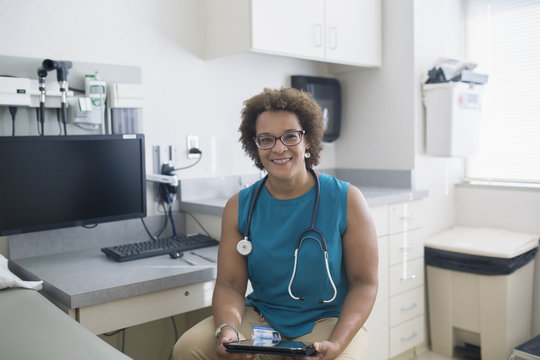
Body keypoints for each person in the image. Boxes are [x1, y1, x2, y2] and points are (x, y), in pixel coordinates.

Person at [173, 87, 378, 360]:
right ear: (255, 145)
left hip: (328, 321)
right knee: (188, 349)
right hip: (262, 319)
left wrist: (338, 343)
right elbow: (230, 285)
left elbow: (364, 283)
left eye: (290, 136)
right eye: (266, 139)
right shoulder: (240, 206)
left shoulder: (346, 199)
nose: (279, 148)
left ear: (308, 140)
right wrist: (229, 330)